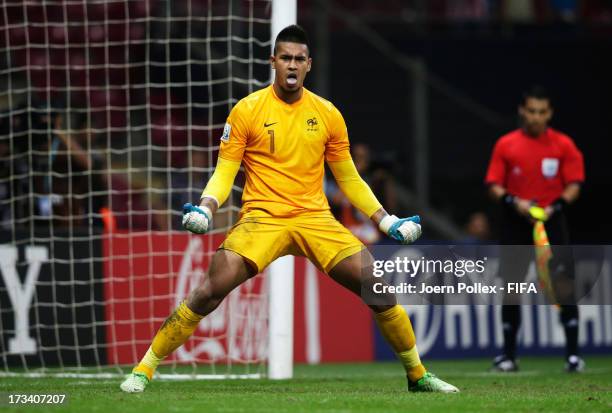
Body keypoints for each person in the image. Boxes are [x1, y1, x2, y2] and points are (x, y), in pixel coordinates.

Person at [120, 25, 458, 394]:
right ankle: (143, 369)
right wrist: (205, 207)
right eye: (285, 58)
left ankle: (417, 375)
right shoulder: (247, 110)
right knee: (209, 290)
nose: (292, 65)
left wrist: (386, 220)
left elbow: (349, 179)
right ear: (273, 62)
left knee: (375, 285)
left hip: (314, 218)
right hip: (261, 218)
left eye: (299, 58)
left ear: (309, 64)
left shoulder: (328, 114)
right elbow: (224, 173)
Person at [485, 86, 585, 373]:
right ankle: (508, 355)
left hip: (552, 222)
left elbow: (574, 185)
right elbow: (493, 185)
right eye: (531, 111)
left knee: (563, 284)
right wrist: (514, 202)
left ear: (550, 113)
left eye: (542, 112)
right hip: (516, 223)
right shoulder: (506, 144)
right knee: (512, 287)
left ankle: (573, 355)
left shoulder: (564, 145)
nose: (536, 117)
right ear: (521, 111)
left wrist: (555, 207)